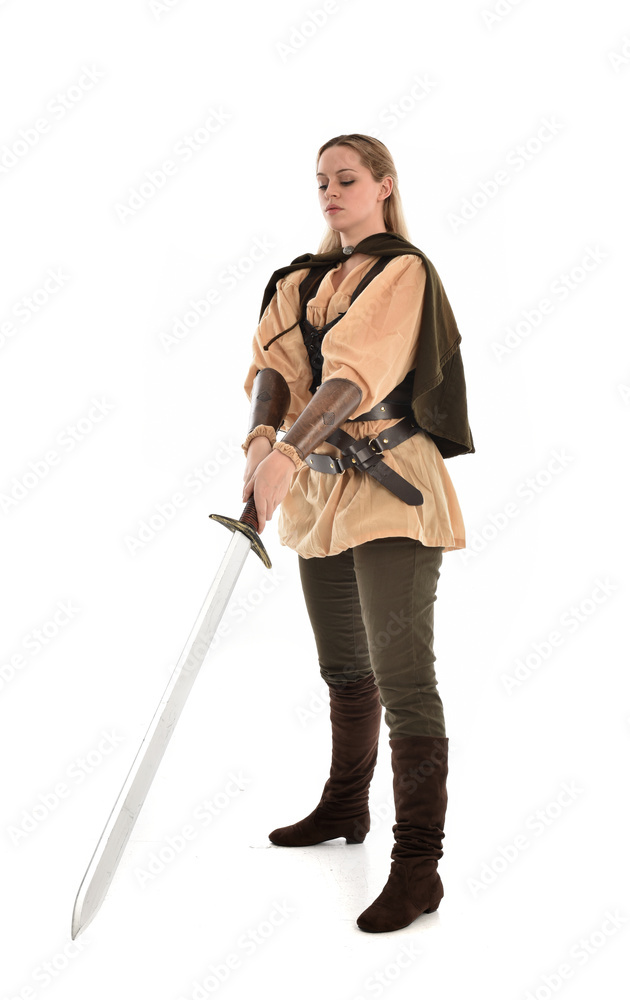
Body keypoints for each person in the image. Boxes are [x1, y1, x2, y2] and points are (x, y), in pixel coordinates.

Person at [239, 133, 474, 933]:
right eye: (321, 182)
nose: (331, 192)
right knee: (343, 666)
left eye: (347, 179)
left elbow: (352, 372)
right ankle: (346, 805)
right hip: (320, 495)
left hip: (391, 492)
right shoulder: (297, 279)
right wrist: (258, 448)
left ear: (383, 186)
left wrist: (286, 454)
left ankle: (418, 869)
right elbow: (274, 368)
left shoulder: (401, 271)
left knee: (404, 677)